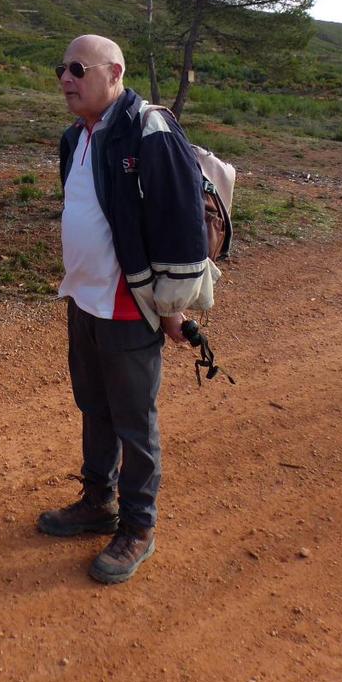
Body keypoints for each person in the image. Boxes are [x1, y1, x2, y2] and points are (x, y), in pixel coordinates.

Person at [37, 34, 216, 584]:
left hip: (126, 302)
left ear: (114, 72)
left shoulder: (151, 129)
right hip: (83, 297)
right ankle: (99, 502)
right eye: (61, 69)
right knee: (95, 406)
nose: (66, 78)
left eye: (77, 69)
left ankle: (139, 527)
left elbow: (180, 223)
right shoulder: (78, 136)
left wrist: (172, 309)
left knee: (134, 421)